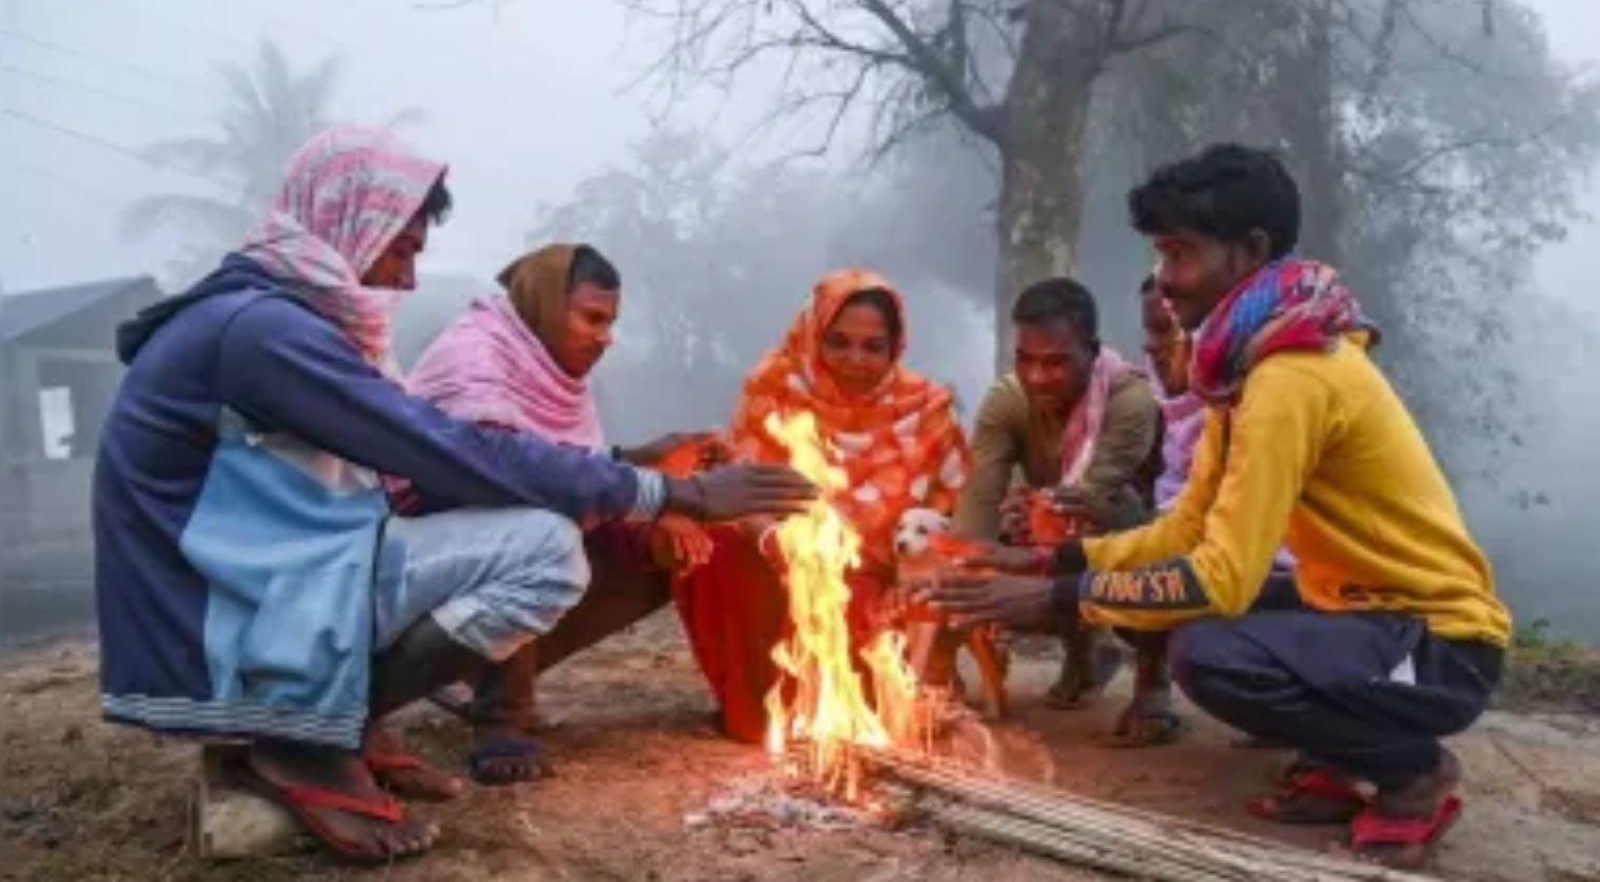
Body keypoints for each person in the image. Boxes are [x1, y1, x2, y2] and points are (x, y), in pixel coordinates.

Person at [93, 126, 814, 864]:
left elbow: (473, 459)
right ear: (349, 221)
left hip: (277, 565)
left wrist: (646, 482)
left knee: (575, 528)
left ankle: (337, 721)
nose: (407, 281)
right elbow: (453, 455)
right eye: (402, 249)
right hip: (214, 605)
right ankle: (305, 742)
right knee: (544, 548)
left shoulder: (277, 318)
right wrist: (677, 493)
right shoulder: (262, 331)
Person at [922, 144, 1511, 869]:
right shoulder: (1249, 366)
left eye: (1180, 254)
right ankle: (1343, 755)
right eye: (1161, 255)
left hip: (1440, 644)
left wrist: (1055, 597)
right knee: (1187, 615)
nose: (1165, 279)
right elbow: (1184, 528)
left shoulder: (1292, 377)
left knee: (1210, 656)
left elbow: (1220, 578)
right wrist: (1050, 559)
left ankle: (1412, 773)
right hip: (1360, 610)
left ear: (1251, 251)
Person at [392, 242, 722, 787]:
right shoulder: (475, 358)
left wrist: (649, 471)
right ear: (544, 304)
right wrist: (654, 493)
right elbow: (508, 478)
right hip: (420, 547)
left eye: (610, 322)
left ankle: (473, 664)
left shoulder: (551, 368)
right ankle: (500, 716)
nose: (604, 337)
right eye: (591, 318)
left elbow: (565, 463)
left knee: (668, 548)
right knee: (536, 525)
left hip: (510, 528)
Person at [673, 269, 970, 743]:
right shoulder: (773, 388)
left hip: (883, 581)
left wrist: (909, 581)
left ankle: (874, 699)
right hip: (778, 559)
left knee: (876, 678)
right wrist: (777, 544)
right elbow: (738, 492)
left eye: (873, 347)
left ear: (896, 347)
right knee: (713, 546)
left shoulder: (927, 409)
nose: (856, 360)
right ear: (814, 336)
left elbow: (956, 518)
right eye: (839, 342)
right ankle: (758, 713)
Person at [951, 277, 1170, 741]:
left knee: (1115, 513)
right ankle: (1085, 654)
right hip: (1051, 532)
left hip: (1136, 543)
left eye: (1055, 362)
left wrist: (1033, 516)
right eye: (1025, 359)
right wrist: (967, 573)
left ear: (1091, 350)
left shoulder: (1130, 399)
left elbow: (1091, 498)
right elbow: (978, 502)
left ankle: (1154, 678)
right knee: (961, 541)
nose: (1036, 377)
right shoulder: (1007, 400)